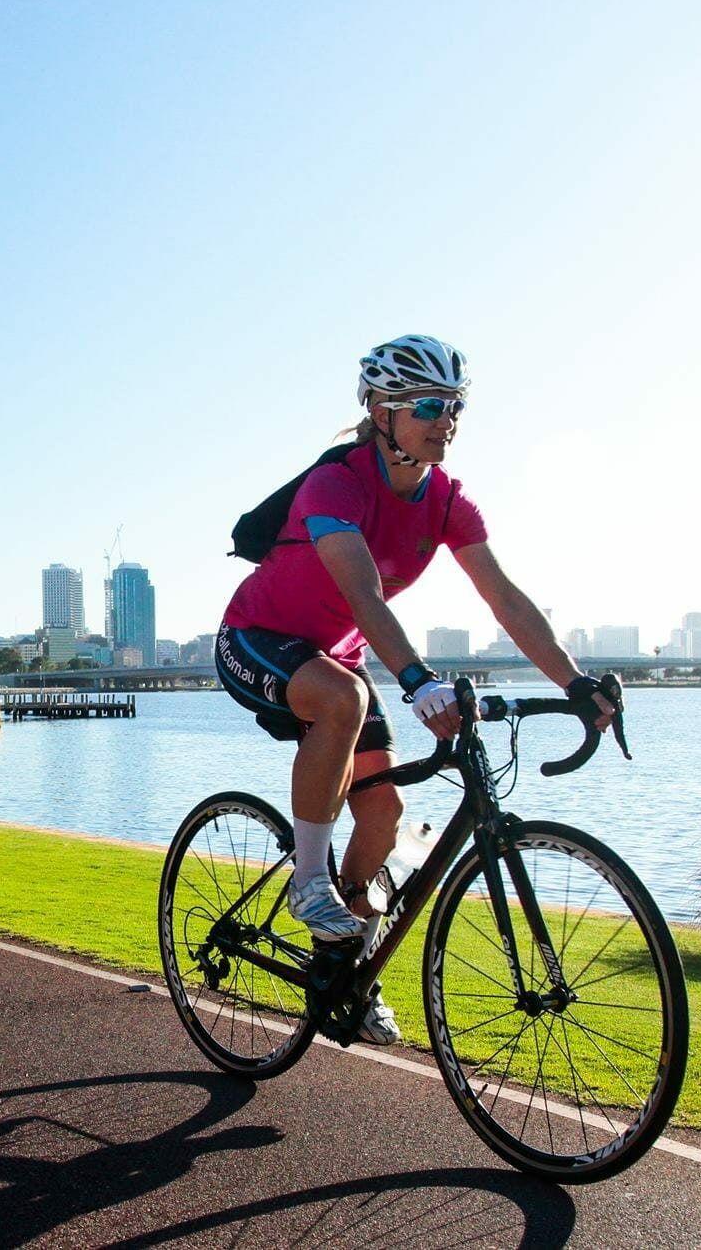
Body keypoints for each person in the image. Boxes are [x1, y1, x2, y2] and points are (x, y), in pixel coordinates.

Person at [215, 335, 616, 1045]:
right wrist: (416, 680)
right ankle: (311, 881)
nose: (445, 421)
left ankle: (345, 970)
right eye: (429, 406)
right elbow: (363, 593)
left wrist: (576, 682)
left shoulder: (448, 501)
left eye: (454, 407)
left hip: (335, 654)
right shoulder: (336, 483)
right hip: (257, 637)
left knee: (384, 817)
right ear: (380, 410)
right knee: (347, 698)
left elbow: (509, 602)